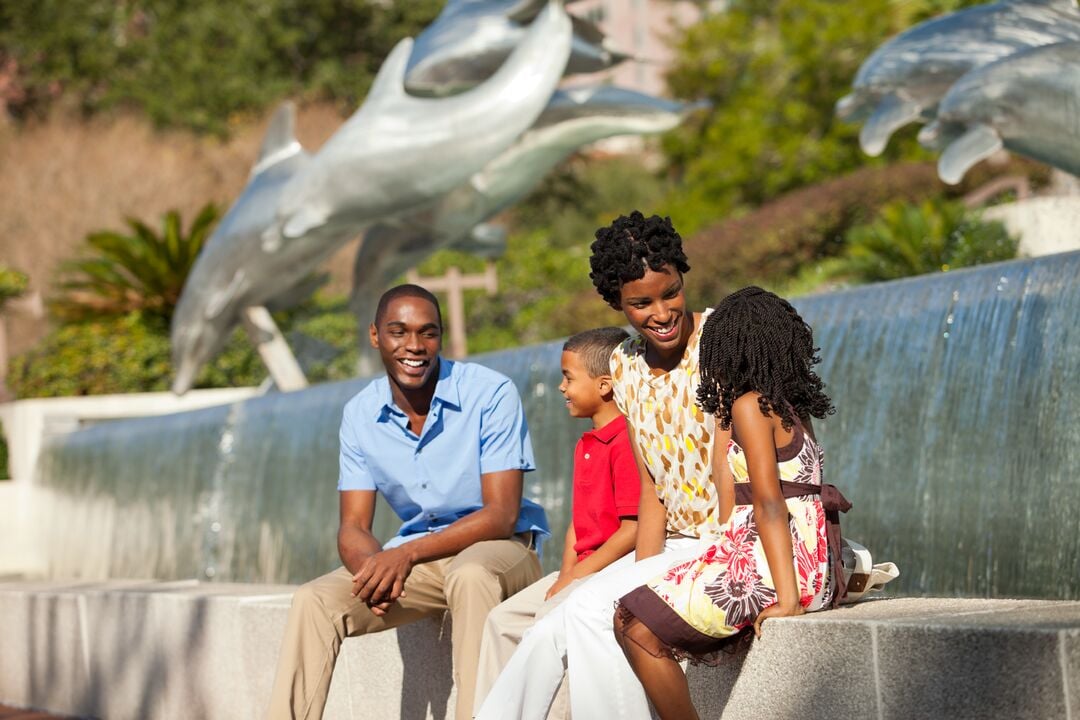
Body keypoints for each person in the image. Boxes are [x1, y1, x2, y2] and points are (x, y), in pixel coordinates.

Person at [476, 211, 727, 720]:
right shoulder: (627, 369)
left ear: (682, 276)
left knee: (593, 609)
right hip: (675, 546)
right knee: (553, 626)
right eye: (641, 303)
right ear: (618, 304)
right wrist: (643, 574)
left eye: (671, 292)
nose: (661, 312)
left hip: (724, 538)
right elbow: (653, 489)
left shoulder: (721, 341)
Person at [267, 284, 549, 720]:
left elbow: (500, 514)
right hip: (422, 563)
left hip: (502, 550)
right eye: (398, 332)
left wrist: (403, 554)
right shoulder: (360, 415)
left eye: (427, 333)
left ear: (440, 336)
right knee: (314, 600)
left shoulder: (490, 393)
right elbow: (354, 526)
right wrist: (370, 571)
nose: (414, 346)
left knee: (471, 574)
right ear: (376, 336)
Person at [614, 285, 847, 720]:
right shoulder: (791, 406)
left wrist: (789, 599)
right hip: (813, 567)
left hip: (778, 572)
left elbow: (770, 504)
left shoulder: (749, 406)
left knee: (633, 622)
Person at [473, 326, 640, 717]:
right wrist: (565, 575)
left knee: (551, 623)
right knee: (501, 621)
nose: (561, 388)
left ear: (604, 385)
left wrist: (576, 578)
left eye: (568, 378)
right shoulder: (587, 443)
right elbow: (577, 527)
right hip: (582, 568)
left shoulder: (625, 440)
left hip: (611, 567)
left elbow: (632, 530)